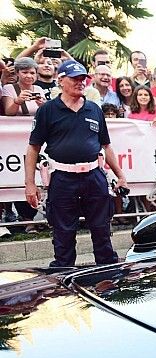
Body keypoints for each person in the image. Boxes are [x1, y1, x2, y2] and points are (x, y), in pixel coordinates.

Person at [24, 60, 128, 267]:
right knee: (63, 234)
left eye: (83, 79)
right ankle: (63, 280)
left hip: (93, 177)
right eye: (75, 79)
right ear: (60, 81)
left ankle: (109, 276)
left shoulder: (94, 109)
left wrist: (121, 175)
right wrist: (30, 184)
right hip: (62, 179)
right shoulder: (47, 111)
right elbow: (33, 148)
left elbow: (106, 146)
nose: (80, 83)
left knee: (102, 230)